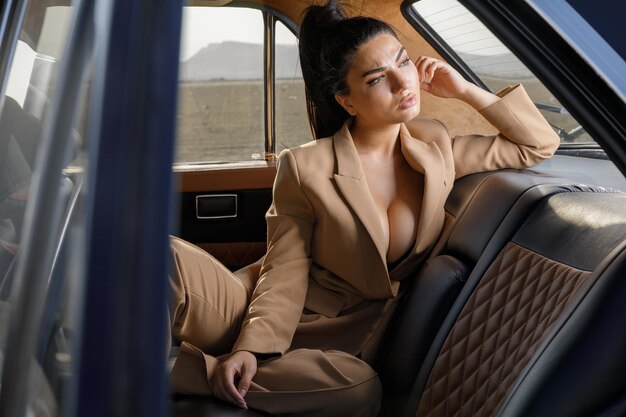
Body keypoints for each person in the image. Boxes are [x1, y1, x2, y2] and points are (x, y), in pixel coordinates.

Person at [168, 1, 560, 416]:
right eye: (376, 78)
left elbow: (536, 144)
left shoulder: (436, 146)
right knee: (162, 257)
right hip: (256, 309)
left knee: (357, 390)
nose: (401, 82)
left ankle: (182, 372)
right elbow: (285, 267)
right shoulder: (305, 166)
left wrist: (463, 90)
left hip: (338, 343)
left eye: (403, 61)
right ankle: (126, 379)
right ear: (347, 101)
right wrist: (250, 346)